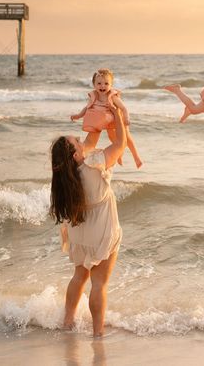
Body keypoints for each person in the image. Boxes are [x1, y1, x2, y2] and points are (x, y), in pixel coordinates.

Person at [50, 104, 126, 337]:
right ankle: (98, 333)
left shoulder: (65, 177)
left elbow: (91, 141)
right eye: (78, 143)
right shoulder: (96, 165)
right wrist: (119, 114)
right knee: (99, 283)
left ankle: (68, 321)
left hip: (79, 232)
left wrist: (98, 110)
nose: (83, 143)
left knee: (79, 276)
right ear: (76, 155)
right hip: (101, 232)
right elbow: (120, 145)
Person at [70, 68, 142, 168]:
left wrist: (126, 118)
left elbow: (123, 108)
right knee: (112, 137)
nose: (102, 86)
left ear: (111, 85)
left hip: (117, 119)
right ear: (94, 85)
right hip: (105, 120)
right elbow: (87, 108)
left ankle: (136, 157)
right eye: (99, 83)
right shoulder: (94, 96)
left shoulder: (112, 97)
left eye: (106, 83)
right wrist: (78, 116)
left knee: (126, 136)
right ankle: (118, 155)